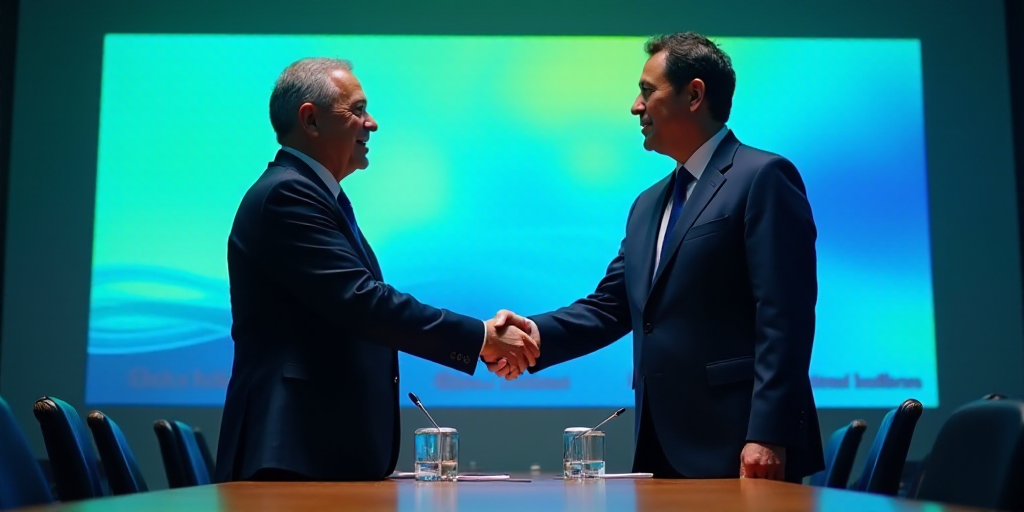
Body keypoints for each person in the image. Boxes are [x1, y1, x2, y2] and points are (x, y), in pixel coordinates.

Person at [488, 33, 824, 481]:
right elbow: (611, 306)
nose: (635, 106)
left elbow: (786, 316)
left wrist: (768, 433)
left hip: (742, 444)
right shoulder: (648, 204)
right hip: (661, 446)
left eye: (648, 91)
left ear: (695, 95)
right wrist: (535, 334)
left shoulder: (762, 177)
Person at [215, 58, 539, 482]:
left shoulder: (316, 195)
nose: (372, 123)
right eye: (357, 110)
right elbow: (364, 303)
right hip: (291, 454)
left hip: (314, 453)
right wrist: (480, 338)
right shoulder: (287, 195)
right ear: (310, 120)